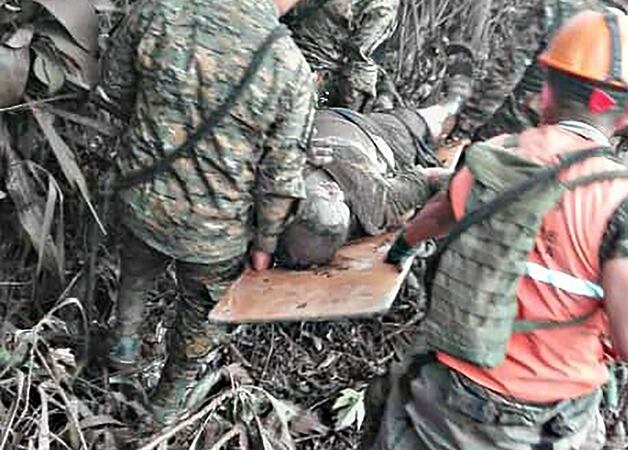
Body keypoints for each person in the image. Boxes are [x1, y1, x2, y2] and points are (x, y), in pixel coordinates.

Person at [367, 10, 628, 450]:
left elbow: (433, 218)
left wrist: (400, 251)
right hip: (541, 418)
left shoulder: (492, 156)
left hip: (447, 393)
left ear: (546, 90)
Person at [100, 0, 314, 424]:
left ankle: (121, 354)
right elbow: (281, 176)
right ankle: (161, 412)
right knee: (201, 316)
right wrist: (266, 243)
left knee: (137, 271)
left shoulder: (161, 10)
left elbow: (113, 90)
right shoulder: (289, 65)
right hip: (215, 232)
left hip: (141, 198)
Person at [277, 70, 473, 268]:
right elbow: (438, 179)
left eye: (324, 193)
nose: (332, 190)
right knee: (424, 123)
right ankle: (447, 103)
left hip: (359, 126)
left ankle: (450, 103)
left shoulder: (276, 178)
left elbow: (438, 179)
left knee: (425, 120)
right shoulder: (374, 203)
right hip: (374, 133)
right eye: (336, 198)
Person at [454, 0, 628, 141]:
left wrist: (464, 126)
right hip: (571, 154)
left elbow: (505, 74)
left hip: (509, 133)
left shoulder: (558, 8)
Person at [283, 0, 400, 110]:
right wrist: (351, 111)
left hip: (279, 57)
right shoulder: (383, 5)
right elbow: (359, 63)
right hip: (314, 82)